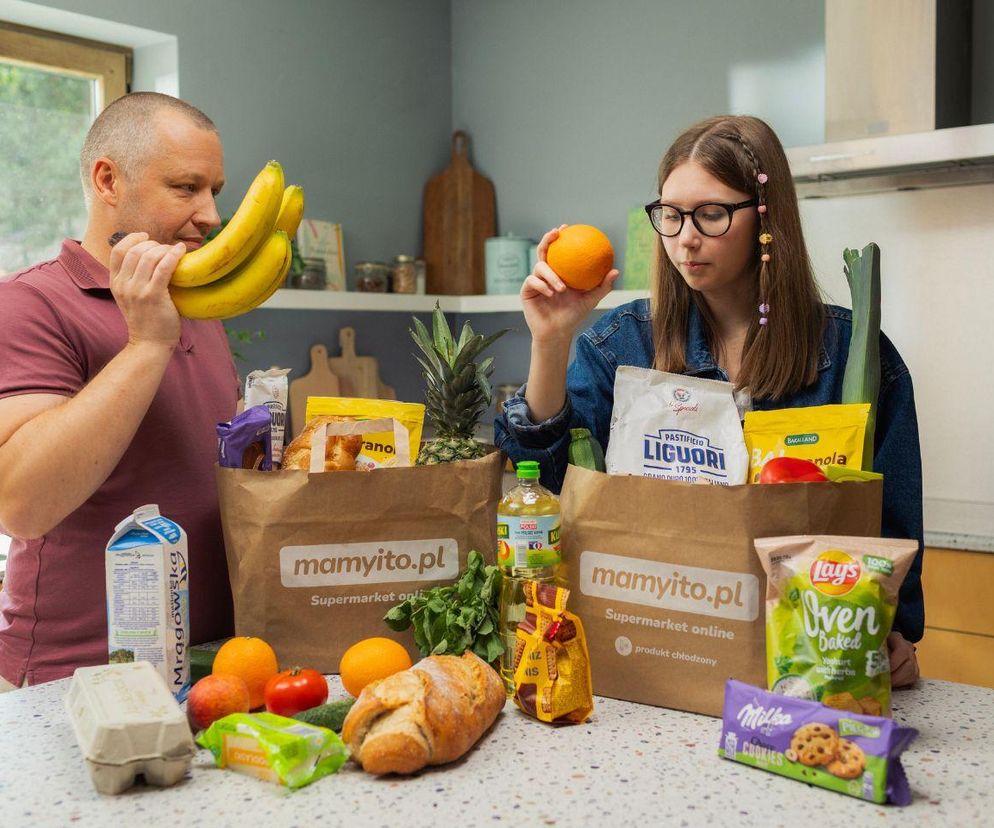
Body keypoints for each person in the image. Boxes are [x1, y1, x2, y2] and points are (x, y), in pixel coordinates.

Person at [494, 115, 923, 687]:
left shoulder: (853, 354)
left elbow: (890, 529)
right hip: (653, 650)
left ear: (767, 218)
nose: (684, 238)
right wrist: (550, 341)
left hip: (802, 662)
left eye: (712, 214)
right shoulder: (623, 343)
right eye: (670, 215)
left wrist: (892, 636)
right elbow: (551, 486)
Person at [0, 93, 240, 688]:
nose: (210, 214)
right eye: (186, 188)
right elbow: (21, 504)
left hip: (209, 664)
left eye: (215, 190)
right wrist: (146, 345)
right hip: (75, 677)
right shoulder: (29, 304)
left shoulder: (200, 308)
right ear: (108, 180)